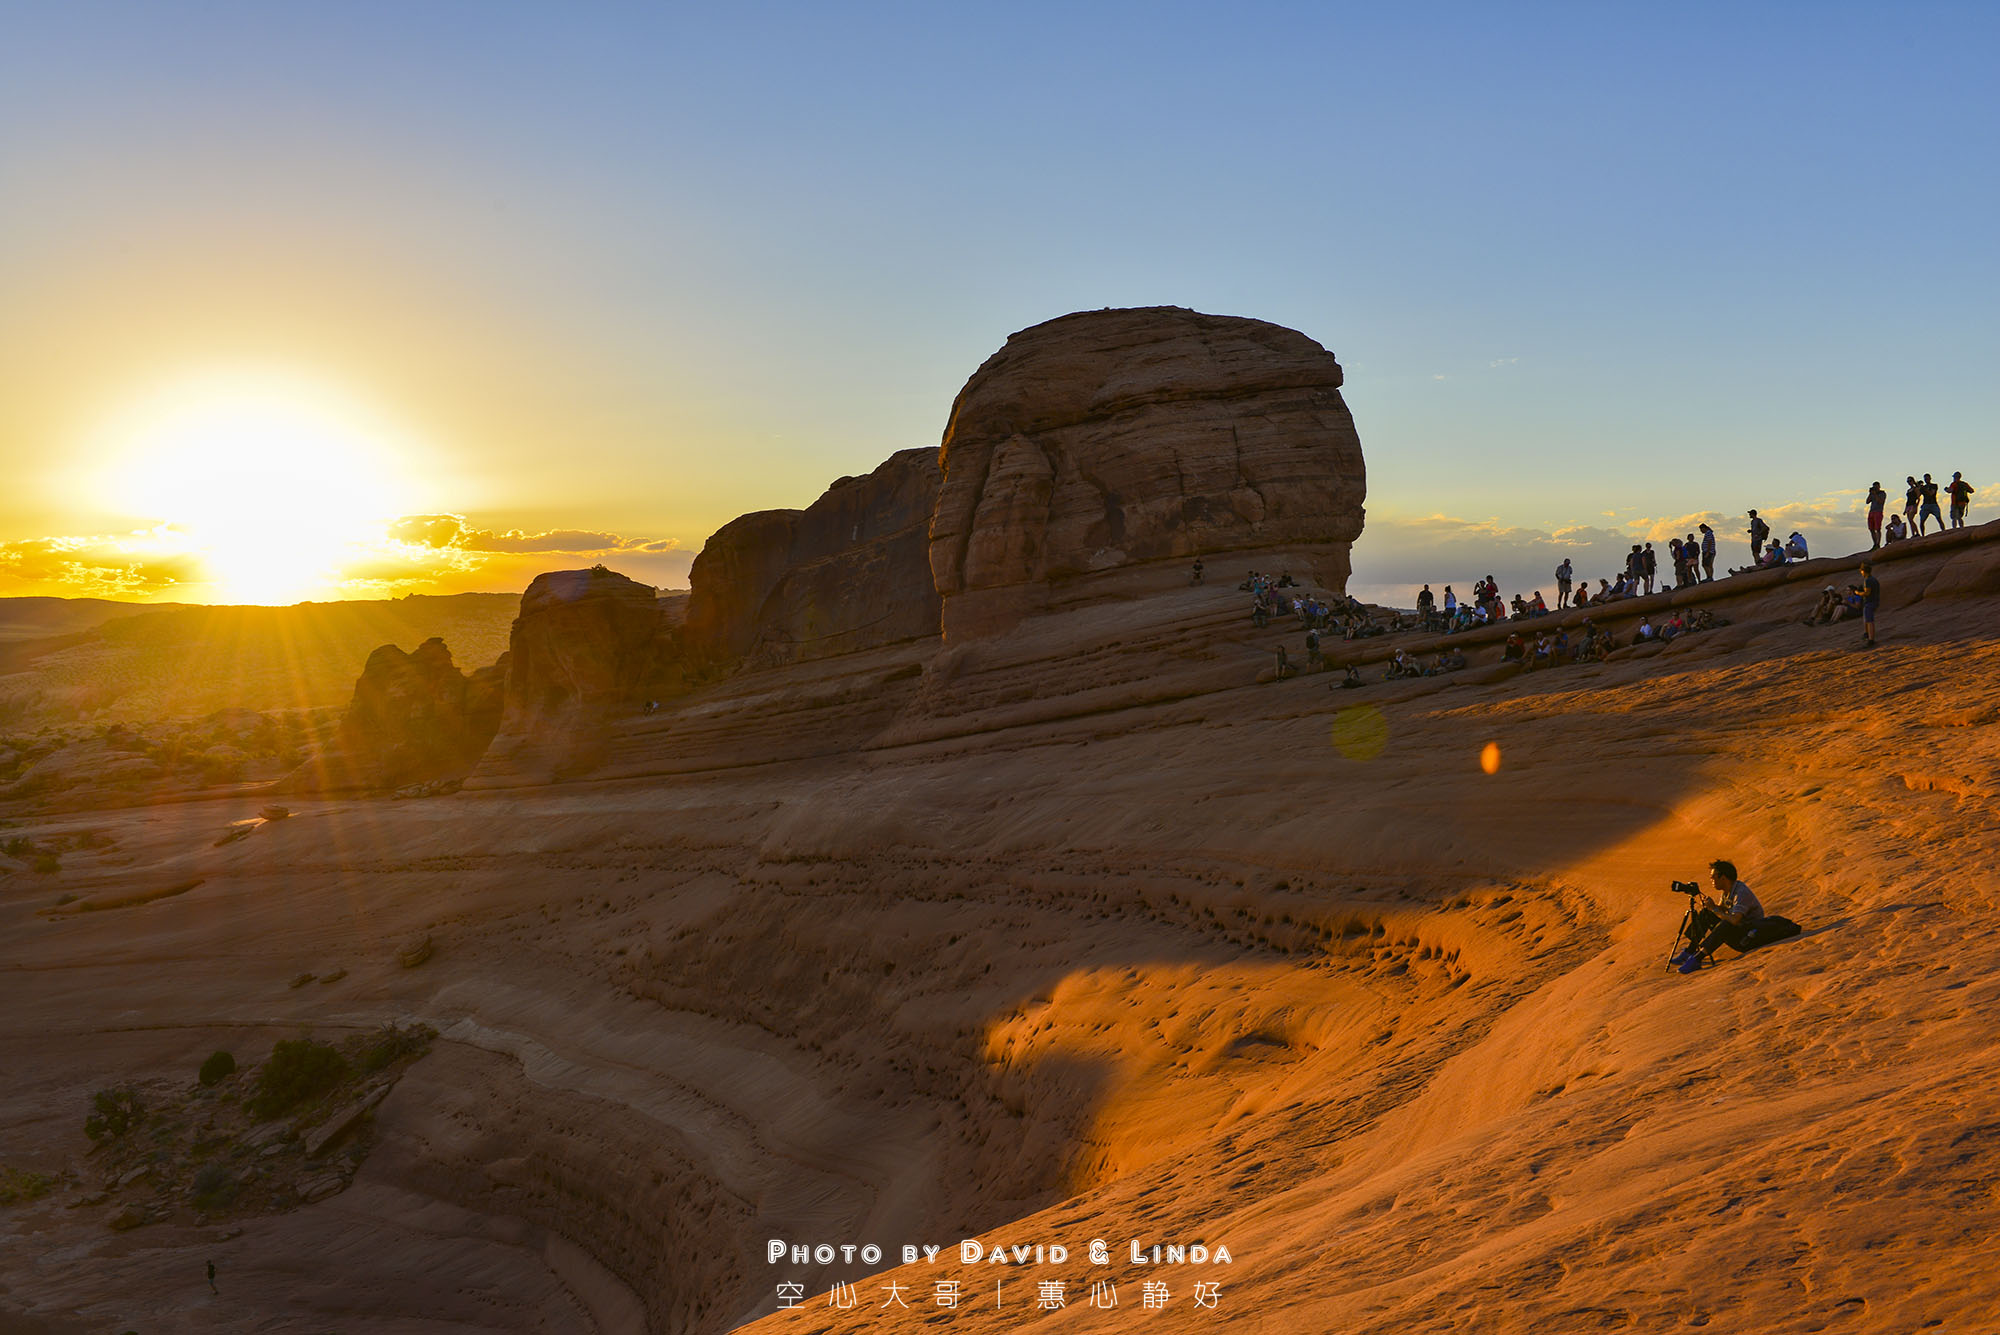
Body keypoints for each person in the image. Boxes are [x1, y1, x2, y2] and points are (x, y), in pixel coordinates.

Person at [1672, 859, 1768, 972]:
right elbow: (1722, 909)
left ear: (1723, 878)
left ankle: (1697, 959)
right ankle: (1690, 951)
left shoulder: (1741, 893)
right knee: (1706, 913)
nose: (1711, 879)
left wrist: (1714, 908)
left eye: (1713, 876)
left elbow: (1735, 920)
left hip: (1749, 938)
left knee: (1727, 923)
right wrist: (1711, 907)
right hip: (1740, 931)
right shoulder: (1728, 890)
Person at [1856, 560, 1880, 648]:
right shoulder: (1874, 579)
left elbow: (1867, 593)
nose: (1861, 573)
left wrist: (1858, 593)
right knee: (1867, 619)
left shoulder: (1868, 580)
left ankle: (1871, 640)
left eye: (1861, 571)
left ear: (1863, 571)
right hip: (1874, 601)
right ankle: (1867, 635)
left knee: (1869, 621)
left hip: (1870, 602)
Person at [1866, 481, 1887, 548]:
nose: (1875, 488)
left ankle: (1878, 544)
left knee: (1878, 529)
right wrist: (1870, 494)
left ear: (1879, 486)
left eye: (1876, 487)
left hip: (1878, 511)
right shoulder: (1872, 494)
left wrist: (1875, 494)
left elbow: (1880, 502)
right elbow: (1867, 501)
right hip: (1872, 511)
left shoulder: (1882, 493)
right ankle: (1875, 544)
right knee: (1871, 529)